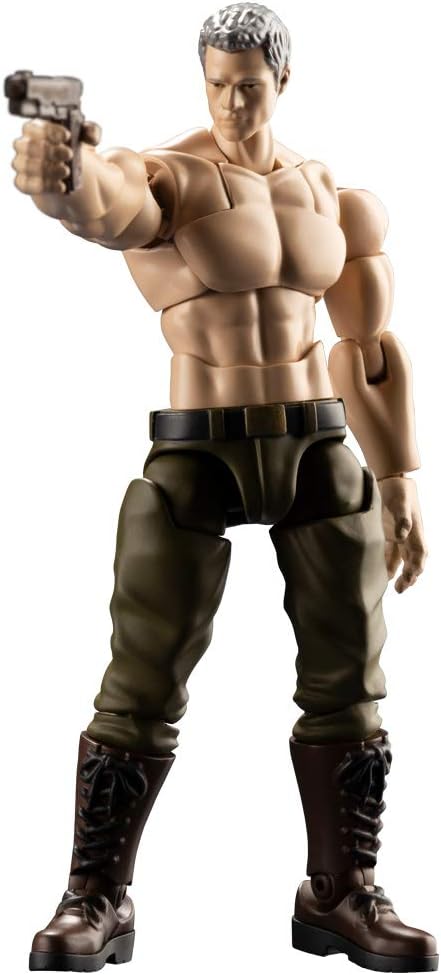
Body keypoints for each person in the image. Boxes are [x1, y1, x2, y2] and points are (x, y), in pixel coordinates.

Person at [11, 3, 436, 972]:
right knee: (142, 675)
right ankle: (95, 894)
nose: (232, 103)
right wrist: (62, 173)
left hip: (317, 444)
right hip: (199, 449)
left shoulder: (334, 197)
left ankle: (340, 892)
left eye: (248, 85)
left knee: (351, 676)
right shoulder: (174, 176)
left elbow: (366, 346)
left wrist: (400, 476)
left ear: (282, 79)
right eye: (216, 84)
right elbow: (109, 204)